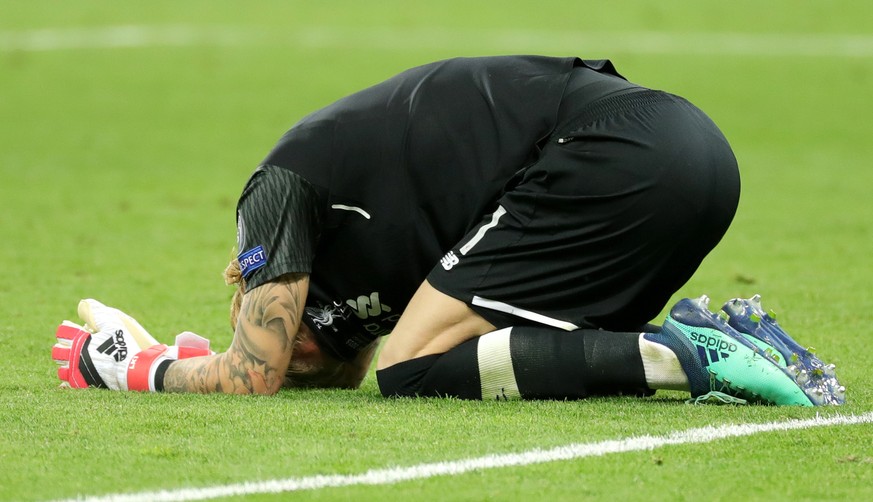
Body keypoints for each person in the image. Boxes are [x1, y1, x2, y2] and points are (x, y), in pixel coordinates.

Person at [52, 55, 844, 406]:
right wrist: (217, 355)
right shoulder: (403, 259)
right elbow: (315, 371)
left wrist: (143, 365)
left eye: (261, 317)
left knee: (412, 367)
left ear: (259, 274)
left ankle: (683, 354)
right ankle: (738, 343)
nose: (289, 354)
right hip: (688, 157)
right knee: (473, 357)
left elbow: (253, 374)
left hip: (613, 149)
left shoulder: (274, 190)